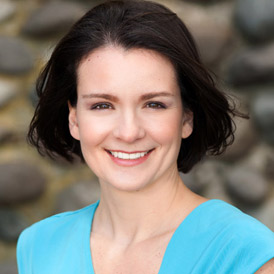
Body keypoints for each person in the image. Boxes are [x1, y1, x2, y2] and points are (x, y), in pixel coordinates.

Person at [17, 1, 274, 273]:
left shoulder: (246, 253)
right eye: (102, 105)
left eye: (154, 104)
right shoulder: (38, 246)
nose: (129, 132)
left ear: (187, 118)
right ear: (74, 119)